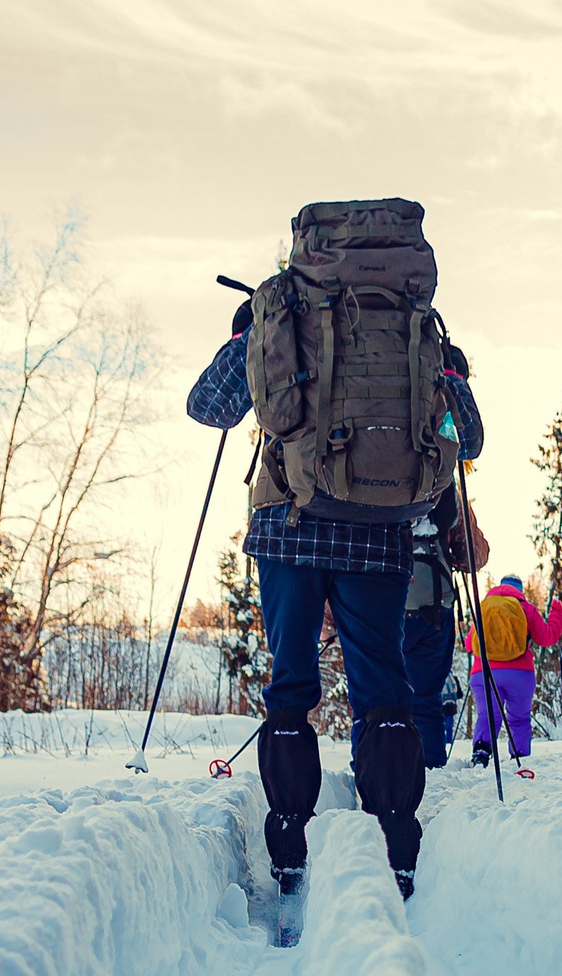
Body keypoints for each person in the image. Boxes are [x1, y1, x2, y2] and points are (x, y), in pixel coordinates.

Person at [185, 199, 484, 903]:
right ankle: (398, 850)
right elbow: (466, 440)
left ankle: (290, 849)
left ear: (306, 248)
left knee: (291, 689)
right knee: (386, 690)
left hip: (287, 528)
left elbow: (208, 406)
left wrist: (252, 343)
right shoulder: (413, 322)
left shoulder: (278, 312)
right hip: (380, 531)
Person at [402, 483, 486, 768]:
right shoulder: (442, 481)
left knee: (374, 697)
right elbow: (475, 554)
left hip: (380, 605)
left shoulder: (370, 468)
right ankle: (430, 775)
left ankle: (375, 781)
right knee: (426, 700)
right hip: (433, 609)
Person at [464, 574, 562, 764]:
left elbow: (469, 645)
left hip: (483, 672)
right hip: (520, 673)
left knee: (488, 716)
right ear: (520, 591)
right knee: (519, 718)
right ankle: (520, 756)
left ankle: (481, 752)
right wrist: (557, 612)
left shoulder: (483, 609)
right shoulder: (526, 609)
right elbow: (547, 637)